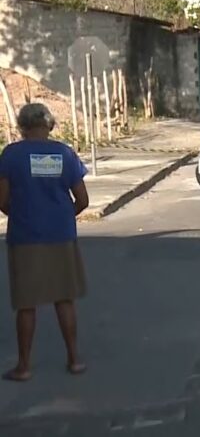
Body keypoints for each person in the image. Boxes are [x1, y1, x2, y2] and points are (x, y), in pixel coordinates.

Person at [0, 104, 90, 382]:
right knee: (64, 298)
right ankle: (74, 359)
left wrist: (22, 214)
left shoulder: (11, 155)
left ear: (22, 126)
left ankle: (24, 366)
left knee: (26, 303)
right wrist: (61, 217)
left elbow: (2, 200)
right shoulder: (65, 153)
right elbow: (83, 200)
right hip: (61, 235)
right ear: (49, 125)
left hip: (26, 237)